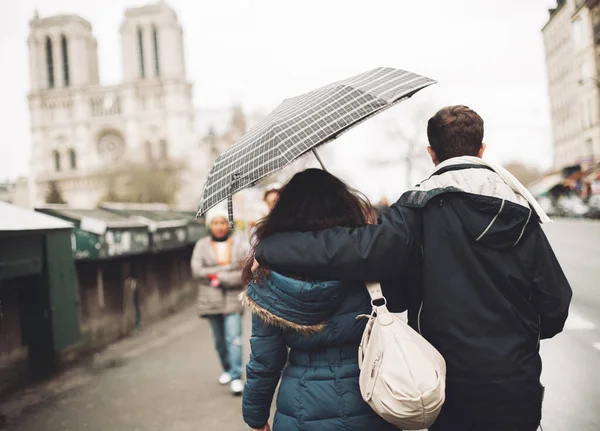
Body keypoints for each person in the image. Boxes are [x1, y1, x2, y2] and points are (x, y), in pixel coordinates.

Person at [254, 106, 573, 431]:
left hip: (446, 380)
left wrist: (271, 246)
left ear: (431, 153)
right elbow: (555, 304)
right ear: (482, 149)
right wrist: (516, 338)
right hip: (516, 382)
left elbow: (356, 250)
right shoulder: (520, 208)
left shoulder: (417, 208)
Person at [241, 169, 398, 431]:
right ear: (345, 206)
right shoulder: (368, 261)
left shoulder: (268, 273)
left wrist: (255, 417)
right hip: (371, 395)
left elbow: (265, 360)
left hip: (302, 406)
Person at [191, 206, 250, 396]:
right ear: (210, 225)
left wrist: (219, 277)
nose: (219, 226)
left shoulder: (239, 246)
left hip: (233, 298)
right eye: (216, 222)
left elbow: (244, 273)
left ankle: (235, 376)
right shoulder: (202, 245)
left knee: (234, 339)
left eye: (223, 222)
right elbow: (197, 271)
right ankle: (226, 368)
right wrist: (224, 271)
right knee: (219, 340)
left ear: (228, 224)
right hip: (211, 300)